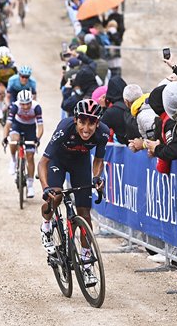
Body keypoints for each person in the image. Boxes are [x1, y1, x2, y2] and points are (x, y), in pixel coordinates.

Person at [38, 99, 107, 261]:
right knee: (56, 196)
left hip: (80, 162)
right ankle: (46, 226)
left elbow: (98, 160)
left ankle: (86, 259)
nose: (86, 128)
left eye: (92, 123)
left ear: (97, 123)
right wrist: (45, 187)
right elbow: (43, 162)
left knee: (85, 213)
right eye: (82, 122)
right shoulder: (64, 128)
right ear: (75, 119)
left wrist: (97, 177)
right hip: (57, 161)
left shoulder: (103, 132)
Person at [2, 90, 44, 196]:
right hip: (18, 125)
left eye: (28, 104)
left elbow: (40, 126)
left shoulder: (36, 107)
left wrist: (37, 138)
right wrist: (5, 137)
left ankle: (30, 185)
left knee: (30, 157)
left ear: (32, 101)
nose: (25, 107)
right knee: (13, 140)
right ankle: (13, 160)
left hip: (30, 128)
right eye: (23, 104)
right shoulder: (15, 107)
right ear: (19, 102)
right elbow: (8, 124)